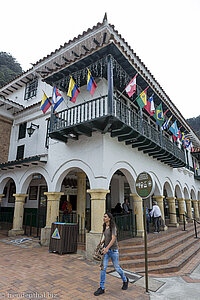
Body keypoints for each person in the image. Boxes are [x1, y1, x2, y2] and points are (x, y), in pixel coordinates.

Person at [94, 212, 129, 296]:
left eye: (105, 217)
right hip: (106, 250)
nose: (104, 218)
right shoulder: (104, 226)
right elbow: (106, 237)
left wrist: (107, 248)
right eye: (103, 216)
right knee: (103, 268)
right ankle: (102, 287)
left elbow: (113, 239)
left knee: (117, 268)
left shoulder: (113, 227)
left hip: (113, 250)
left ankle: (125, 280)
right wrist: (101, 243)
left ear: (109, 218)